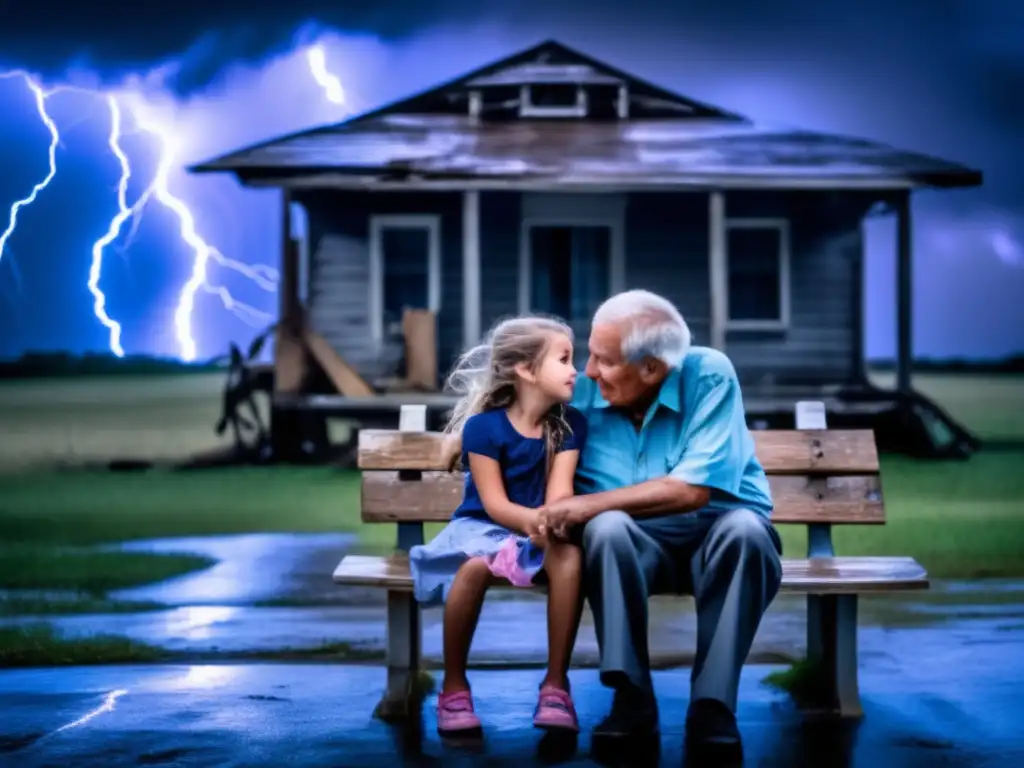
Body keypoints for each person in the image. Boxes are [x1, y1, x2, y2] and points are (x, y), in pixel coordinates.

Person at [539, 289, 783, 761]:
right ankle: (631, 697)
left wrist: (583, 507)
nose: (588, 370)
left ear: (651, 368)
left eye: (604, 361)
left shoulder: (709, 374)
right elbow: (513, 404)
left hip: (717, 534)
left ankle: (713, 706)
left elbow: (691, 491)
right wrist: (464, 436)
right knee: (607, 529)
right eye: (590, 353)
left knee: (748, 532)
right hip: (634, 543)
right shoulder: (581, 387)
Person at [409, 315, 589, 738]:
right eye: (564, 359)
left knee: (569, 556)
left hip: (536, 530)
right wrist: (535, 523)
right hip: (483, 528)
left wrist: (552, 521)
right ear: (525, 370)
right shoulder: (483, 428)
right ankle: (454, 687)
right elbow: (493, 503)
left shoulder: (569, 425)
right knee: (473, 567)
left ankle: (556, 685)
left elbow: (559, 491)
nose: (575, 369)